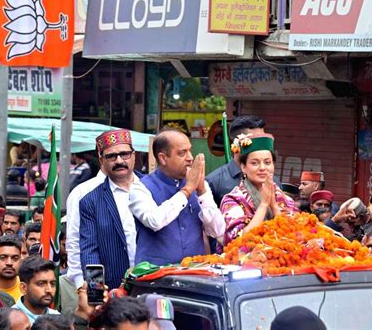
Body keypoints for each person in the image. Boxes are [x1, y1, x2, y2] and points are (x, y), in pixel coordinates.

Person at [130, 129, 224, 266]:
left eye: (190, 151)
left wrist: (202, 191)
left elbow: (218, 230)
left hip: (196, 272)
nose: (190, 158)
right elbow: (154, 221)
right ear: (162, 158)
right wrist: (187, 190)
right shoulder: (140, 188)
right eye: (182, 153)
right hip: (155, 275)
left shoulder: (198, 185)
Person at [80, 130, 141, 289]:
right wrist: (96, 293)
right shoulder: (91, 201)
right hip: (115, 289)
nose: (119, 160)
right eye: (111, 156)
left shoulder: (153, 189)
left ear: (134, 155)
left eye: (124, 154)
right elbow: (90, 252)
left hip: (154, 284)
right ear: (102, 160)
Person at [219, 133, 297, 248]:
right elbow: (238, 241)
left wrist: (274, 207)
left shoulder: (286, 199)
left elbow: (295, 238)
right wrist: (264, 204)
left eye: (267, 162)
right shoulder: (232, 200)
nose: (262, 168)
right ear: (243, 167)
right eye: (254, 163)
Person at [206, 115, 268, 206]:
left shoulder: (270, 180)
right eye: (253, 142)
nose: (259, 147)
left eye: (262, 141)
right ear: (236, 143)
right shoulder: (213, 182)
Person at [13, 256, 60, 324]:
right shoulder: (11, 320)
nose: (49, 290)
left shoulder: (57, 318)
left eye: (52, 284)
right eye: (41, 284)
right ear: (23, 288)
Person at [0, 235, 23, 302]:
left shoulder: (28, 290)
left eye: (15, 258)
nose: (9, 263)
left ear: (20, 259)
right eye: (3, 257)